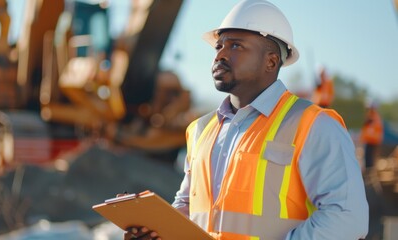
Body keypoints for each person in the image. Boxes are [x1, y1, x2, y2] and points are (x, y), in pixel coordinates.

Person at [124, 0, 368, 239]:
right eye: (218, 46)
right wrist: (159, 232)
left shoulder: (314, 125)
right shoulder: (200, 130)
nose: (220, 54)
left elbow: (346, 218)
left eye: (236, 46)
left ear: (271, 61)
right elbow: (189, 206)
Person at [360, 102, 384, 171]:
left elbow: (373, 132)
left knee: (369, 162)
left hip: (372, 142)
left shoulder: (374, 118)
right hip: (370, 142)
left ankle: (369, 177)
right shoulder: (371, 118)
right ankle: (368, 175)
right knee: (368, 161)